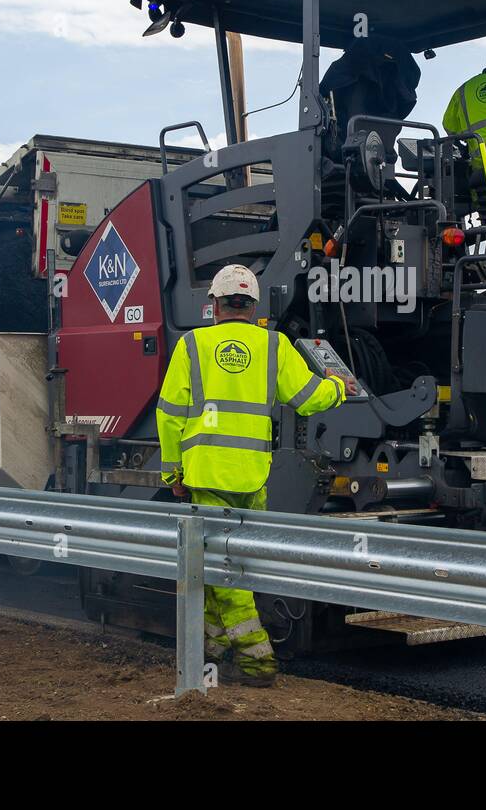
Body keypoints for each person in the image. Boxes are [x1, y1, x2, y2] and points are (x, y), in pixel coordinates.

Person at [156, 264, 350, 686]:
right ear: (253, 306)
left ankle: (257, 659)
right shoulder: (274, 346)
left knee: (222, 569)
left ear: (215, 303)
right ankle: (211, 649)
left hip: (206, 475)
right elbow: (307, 399)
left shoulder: (192, 345)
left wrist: (173, 471)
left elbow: (169, 416)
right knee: (232, 565)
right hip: (252, 477)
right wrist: (338, 387)